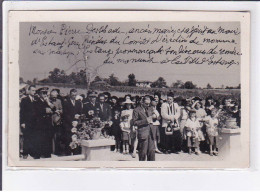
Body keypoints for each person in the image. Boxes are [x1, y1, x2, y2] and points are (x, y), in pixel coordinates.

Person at [33, 87, 55, 158]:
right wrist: (45, 110)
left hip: (47, 125)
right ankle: (38, 156)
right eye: (43, 93)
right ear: (39, 94)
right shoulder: (36, 102)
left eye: (46, 93)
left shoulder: (47, 101)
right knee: (39, 141)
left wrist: (48, 102)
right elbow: (36, 112)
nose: (45, 94)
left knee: (47, 140)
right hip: (40, 124)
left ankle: (47, 155)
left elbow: (54, 109)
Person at [133, 95, 155, 161]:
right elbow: (134, 122)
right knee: (143, 153)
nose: (148, 105)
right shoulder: (136, 110)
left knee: (151, 153)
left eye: (149, 104)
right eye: (146, 104)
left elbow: (157, 118)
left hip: (151, 132)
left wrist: (156, 116)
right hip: (143, 133)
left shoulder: (150, 108)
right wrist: (145, 121)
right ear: (142, 102)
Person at [63, 89, 82, 155]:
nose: (74, 96)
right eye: (72, 95)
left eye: (75, 95)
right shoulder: (66, 102)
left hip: (76, 124)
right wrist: (71, 121)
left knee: (76, 138)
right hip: (68, 124)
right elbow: (65, 114)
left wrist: (78, 118)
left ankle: (75, 153)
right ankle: (68, 154)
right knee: (68, 139)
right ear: (70, 94)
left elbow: (80, 112)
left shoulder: (78, 102)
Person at [20, 85, 36, 159]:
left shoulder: (35, 99)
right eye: (32, 90)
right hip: (27, 122)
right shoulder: (24, 100)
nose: (34, 92)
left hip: (34, 122)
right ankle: (25, 153)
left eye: (35, 90)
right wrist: (22, 122)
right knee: (26, 138)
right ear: (28, 91)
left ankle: (31, 152)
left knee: (32, 137)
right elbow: (22, 112)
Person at [49, 89, 63, 155]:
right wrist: (54, 111)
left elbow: (61, 109)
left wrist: (59, 111)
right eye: (53, 97)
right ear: (50, 96)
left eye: (55, 97)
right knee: (50, 136)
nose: (54, 98)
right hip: (50, 121)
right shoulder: (48, 101)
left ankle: (56, 150)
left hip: (57, 120)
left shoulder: (59, 101)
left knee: (57, 136)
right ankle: (51, 150)